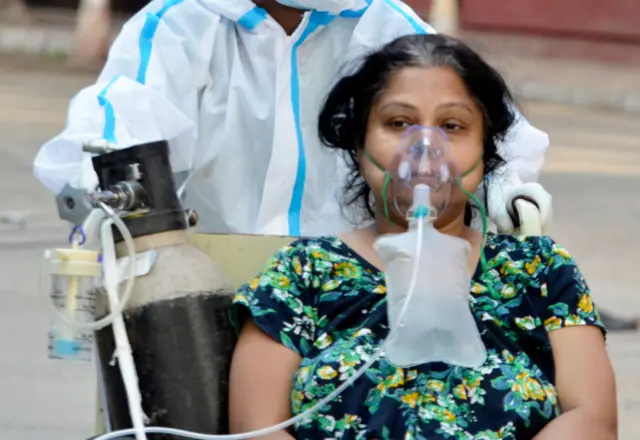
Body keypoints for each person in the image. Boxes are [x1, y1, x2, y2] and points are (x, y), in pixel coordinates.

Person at [228, 34, 617, 439]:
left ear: (485, 151)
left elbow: (593, 420)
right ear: (359, 145)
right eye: (398, 123)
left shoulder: (539, 269)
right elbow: (255, 430)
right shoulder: (301, 274)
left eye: (452, 126)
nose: (426, 150)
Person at [32, 0, 552, 237]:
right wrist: (103, 192)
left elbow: (489, 139)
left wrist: (506, 190)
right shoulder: (181, 24)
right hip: (206, 284)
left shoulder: (384, 23)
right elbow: (114, 135)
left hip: (351, 288)